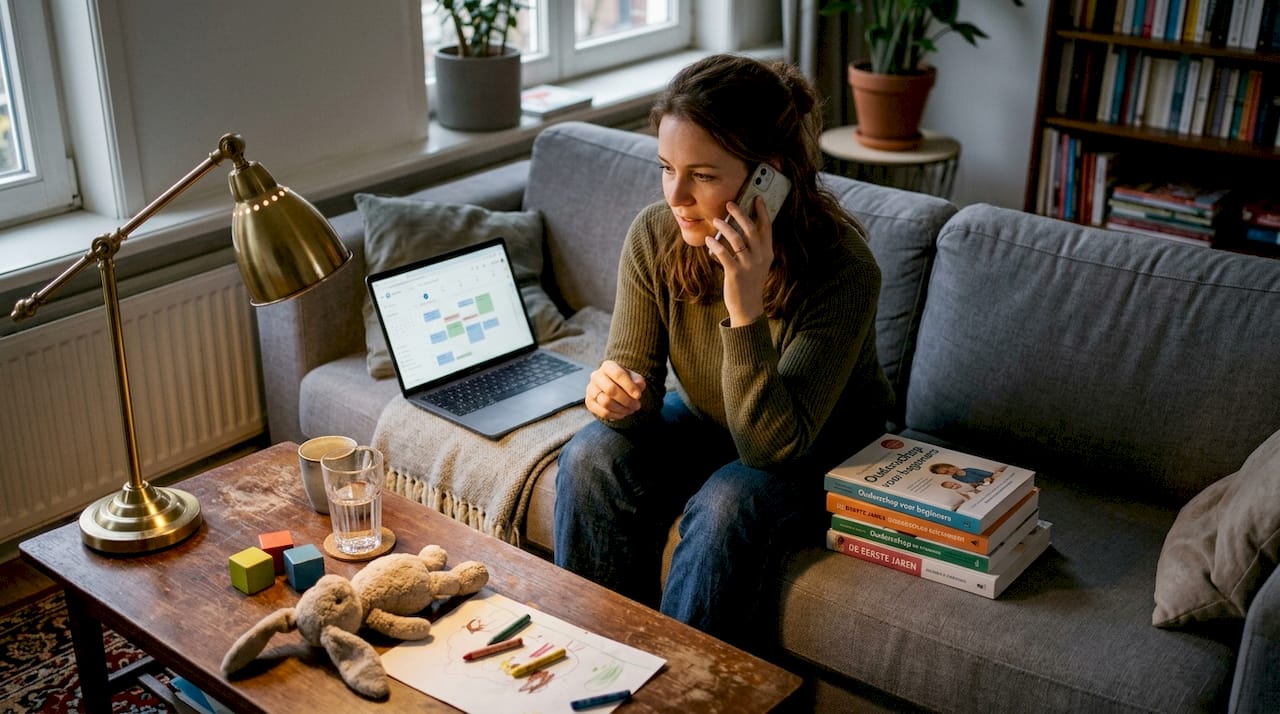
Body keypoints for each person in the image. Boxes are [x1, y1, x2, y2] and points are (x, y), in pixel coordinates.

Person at [552, 53, 894, 649]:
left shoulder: (844, 269)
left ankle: (684, 692)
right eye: (666, 168)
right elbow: (642, 392)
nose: (676, 196)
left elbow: (770, 446)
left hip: (822, 446)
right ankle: (598, 661)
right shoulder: (654, 234)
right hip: (718, 420)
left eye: (703, 176)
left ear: (771, 175)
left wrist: (744, 305)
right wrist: (614, 396)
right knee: (590, 456)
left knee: (728, 502)